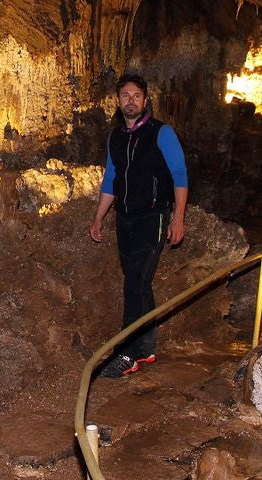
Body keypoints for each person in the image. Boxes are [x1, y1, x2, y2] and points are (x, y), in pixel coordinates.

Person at [89, 74, 188, 378]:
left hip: (153, 216)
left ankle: (126, 353)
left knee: (134, 281)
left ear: (145, 101)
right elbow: (111, 179)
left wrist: (178, 217)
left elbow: (180, 175)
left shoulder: (161, 133)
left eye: (136, 96)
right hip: (126, 217)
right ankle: (146, 347)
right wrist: (99, 217)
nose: (130, 100)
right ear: (118, 102)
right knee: (139, 281)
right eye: (125, 96)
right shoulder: (116, 137)